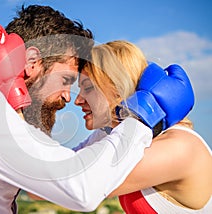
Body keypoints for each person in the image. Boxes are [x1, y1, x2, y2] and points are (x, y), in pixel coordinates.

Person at [0, 4, 193, 213]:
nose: (68, 97)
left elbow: (65, 166)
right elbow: (79, 187)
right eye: (67, 81)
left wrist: (114, 118)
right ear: (32, 62)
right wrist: (143, 116)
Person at [73, 40, 212, 213]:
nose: (77, 100)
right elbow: (59, 165)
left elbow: (78, 185)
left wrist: (139, 112)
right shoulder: (118, 133)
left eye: (88, 88)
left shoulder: (179, 148)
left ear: (119, 88)